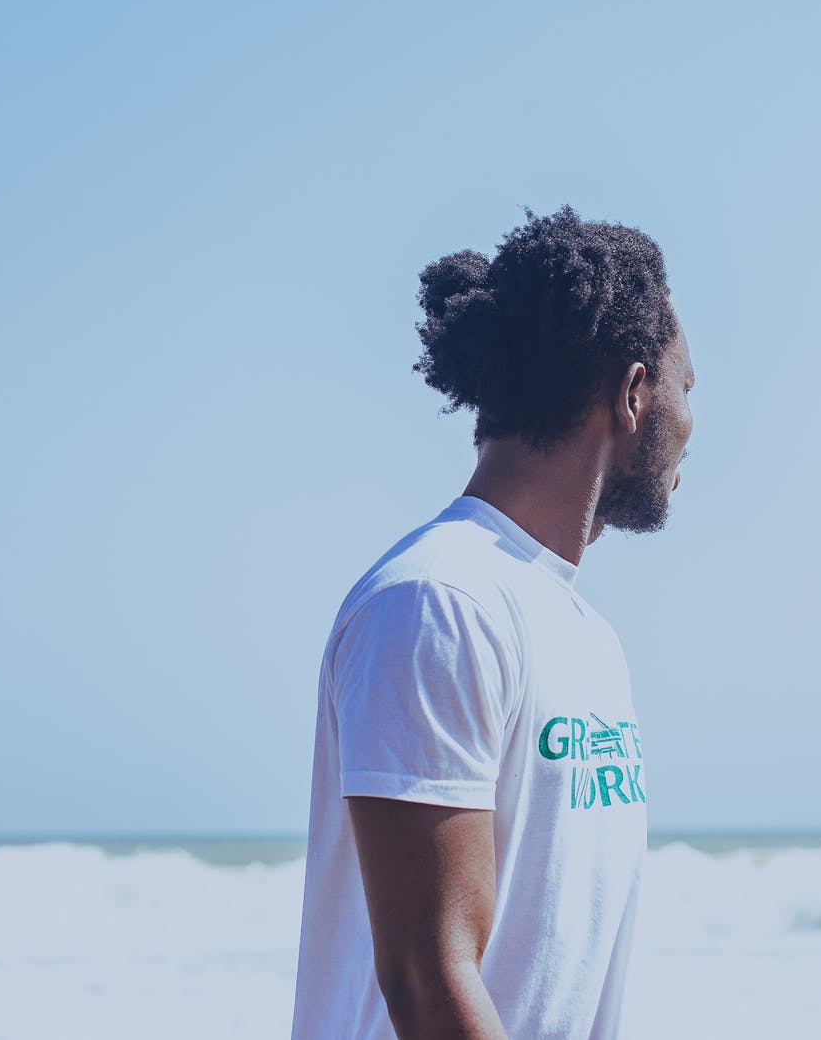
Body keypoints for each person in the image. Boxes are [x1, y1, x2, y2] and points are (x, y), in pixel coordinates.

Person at [289, 205, 695, 1040]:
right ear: (632, 393)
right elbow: (428, 979)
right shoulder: (437, 602)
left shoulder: (586, 636)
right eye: (687, 389)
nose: (692, 427)